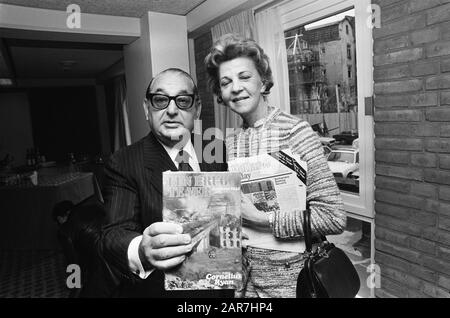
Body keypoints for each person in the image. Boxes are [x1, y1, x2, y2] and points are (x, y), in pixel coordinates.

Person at [205, 34, 346, 298]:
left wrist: (265, 220)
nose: (235, 88)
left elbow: (333, 217)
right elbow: (239, 210)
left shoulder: (296, 131)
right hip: (244, 282)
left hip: (291, 284)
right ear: (220, 94)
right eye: (226, 82)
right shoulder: (232, 141)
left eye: (245, 77)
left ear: (262, 81)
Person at [100, 68, 232, 297]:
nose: (171, 110)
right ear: (146, 108)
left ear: (197, 109)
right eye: (160, 100)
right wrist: (142, 249)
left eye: (182, 101)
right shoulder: (124, 162)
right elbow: (113, 234)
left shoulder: (216, 150)